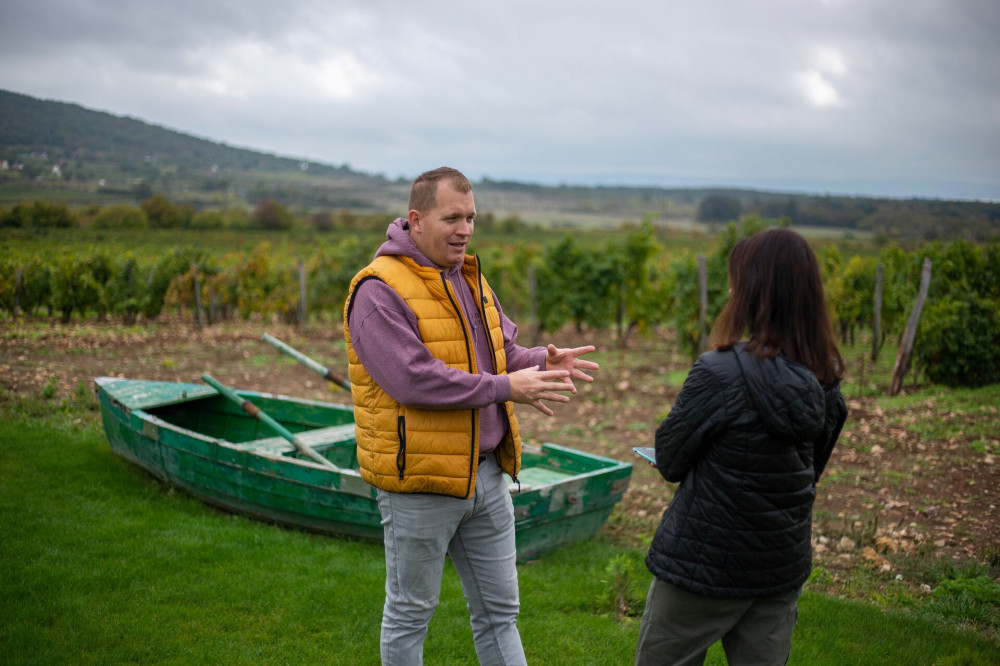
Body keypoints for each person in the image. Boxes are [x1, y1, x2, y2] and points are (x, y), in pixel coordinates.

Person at [343, 166, 599, 665]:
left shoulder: (469, 278)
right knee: (410, 615)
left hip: (485, 477)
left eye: (472, 218)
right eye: (452, 218)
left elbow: (500, 353)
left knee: (500, 612)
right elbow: (414, 380)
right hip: (420, 483)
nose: (464, 229)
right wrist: (507, 386)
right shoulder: (378, 290)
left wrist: (542, 362)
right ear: (416, 220)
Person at [635, 228, 847, 666]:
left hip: (702, 566)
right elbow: (810, 473)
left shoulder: (719, 373)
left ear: (753, 291)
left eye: (736, 279)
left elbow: (671, 460)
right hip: (779, 569)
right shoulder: (827, 384)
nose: (730, 289)